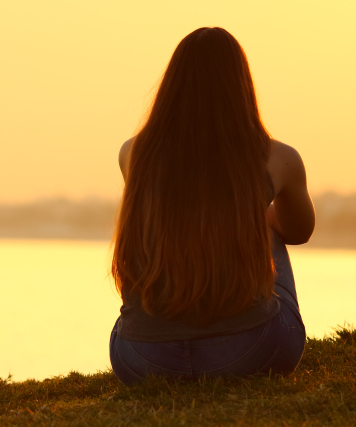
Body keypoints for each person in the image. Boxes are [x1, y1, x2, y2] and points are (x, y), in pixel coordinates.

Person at [108, 27, 316, 383]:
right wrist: (256, 214)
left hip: (142, 361)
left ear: (172, 87)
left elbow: (177, 214)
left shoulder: (134, 154)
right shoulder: (277, 159)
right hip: (250, 353)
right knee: (268, 227)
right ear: (241, 87)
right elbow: (297, 231)